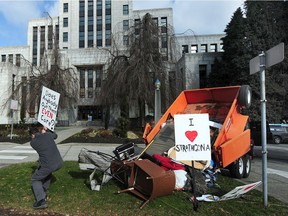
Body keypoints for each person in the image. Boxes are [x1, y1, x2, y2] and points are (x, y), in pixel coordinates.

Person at [29, 125, 63, 209]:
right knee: (46, 173)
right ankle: (43, 189)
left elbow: (36, 140)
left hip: (49, 165)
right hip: (59, 162)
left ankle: (41, 201)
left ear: (32, 134)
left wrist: (42, 133)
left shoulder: (33, 142)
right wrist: (48, 130)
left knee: (35, 179)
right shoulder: (48, 135)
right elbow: (55, 136)